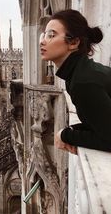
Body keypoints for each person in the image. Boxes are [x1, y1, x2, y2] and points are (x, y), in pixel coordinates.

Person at [40, 9, 111, 154]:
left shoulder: (83, 82)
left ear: (73, 42)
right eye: (44, 35)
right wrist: (70, 130)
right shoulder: (79, 73)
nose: (42, 41)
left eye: (51, 35)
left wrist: (65, 135)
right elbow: (98, 122)